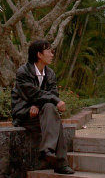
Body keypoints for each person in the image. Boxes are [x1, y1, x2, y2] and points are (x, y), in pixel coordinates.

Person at [11, 39, 75, 174]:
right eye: (49, 51)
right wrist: (52, 101)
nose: (52, 54)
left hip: (41, 112)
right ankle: (60, 163)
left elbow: (52, 92)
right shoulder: (23, 72)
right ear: (39, 54)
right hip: (25, 113)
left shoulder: (50, 73)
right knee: (54, 115)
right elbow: (33, 93)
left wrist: (38, 105)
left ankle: (47, 150)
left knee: (51, 111)